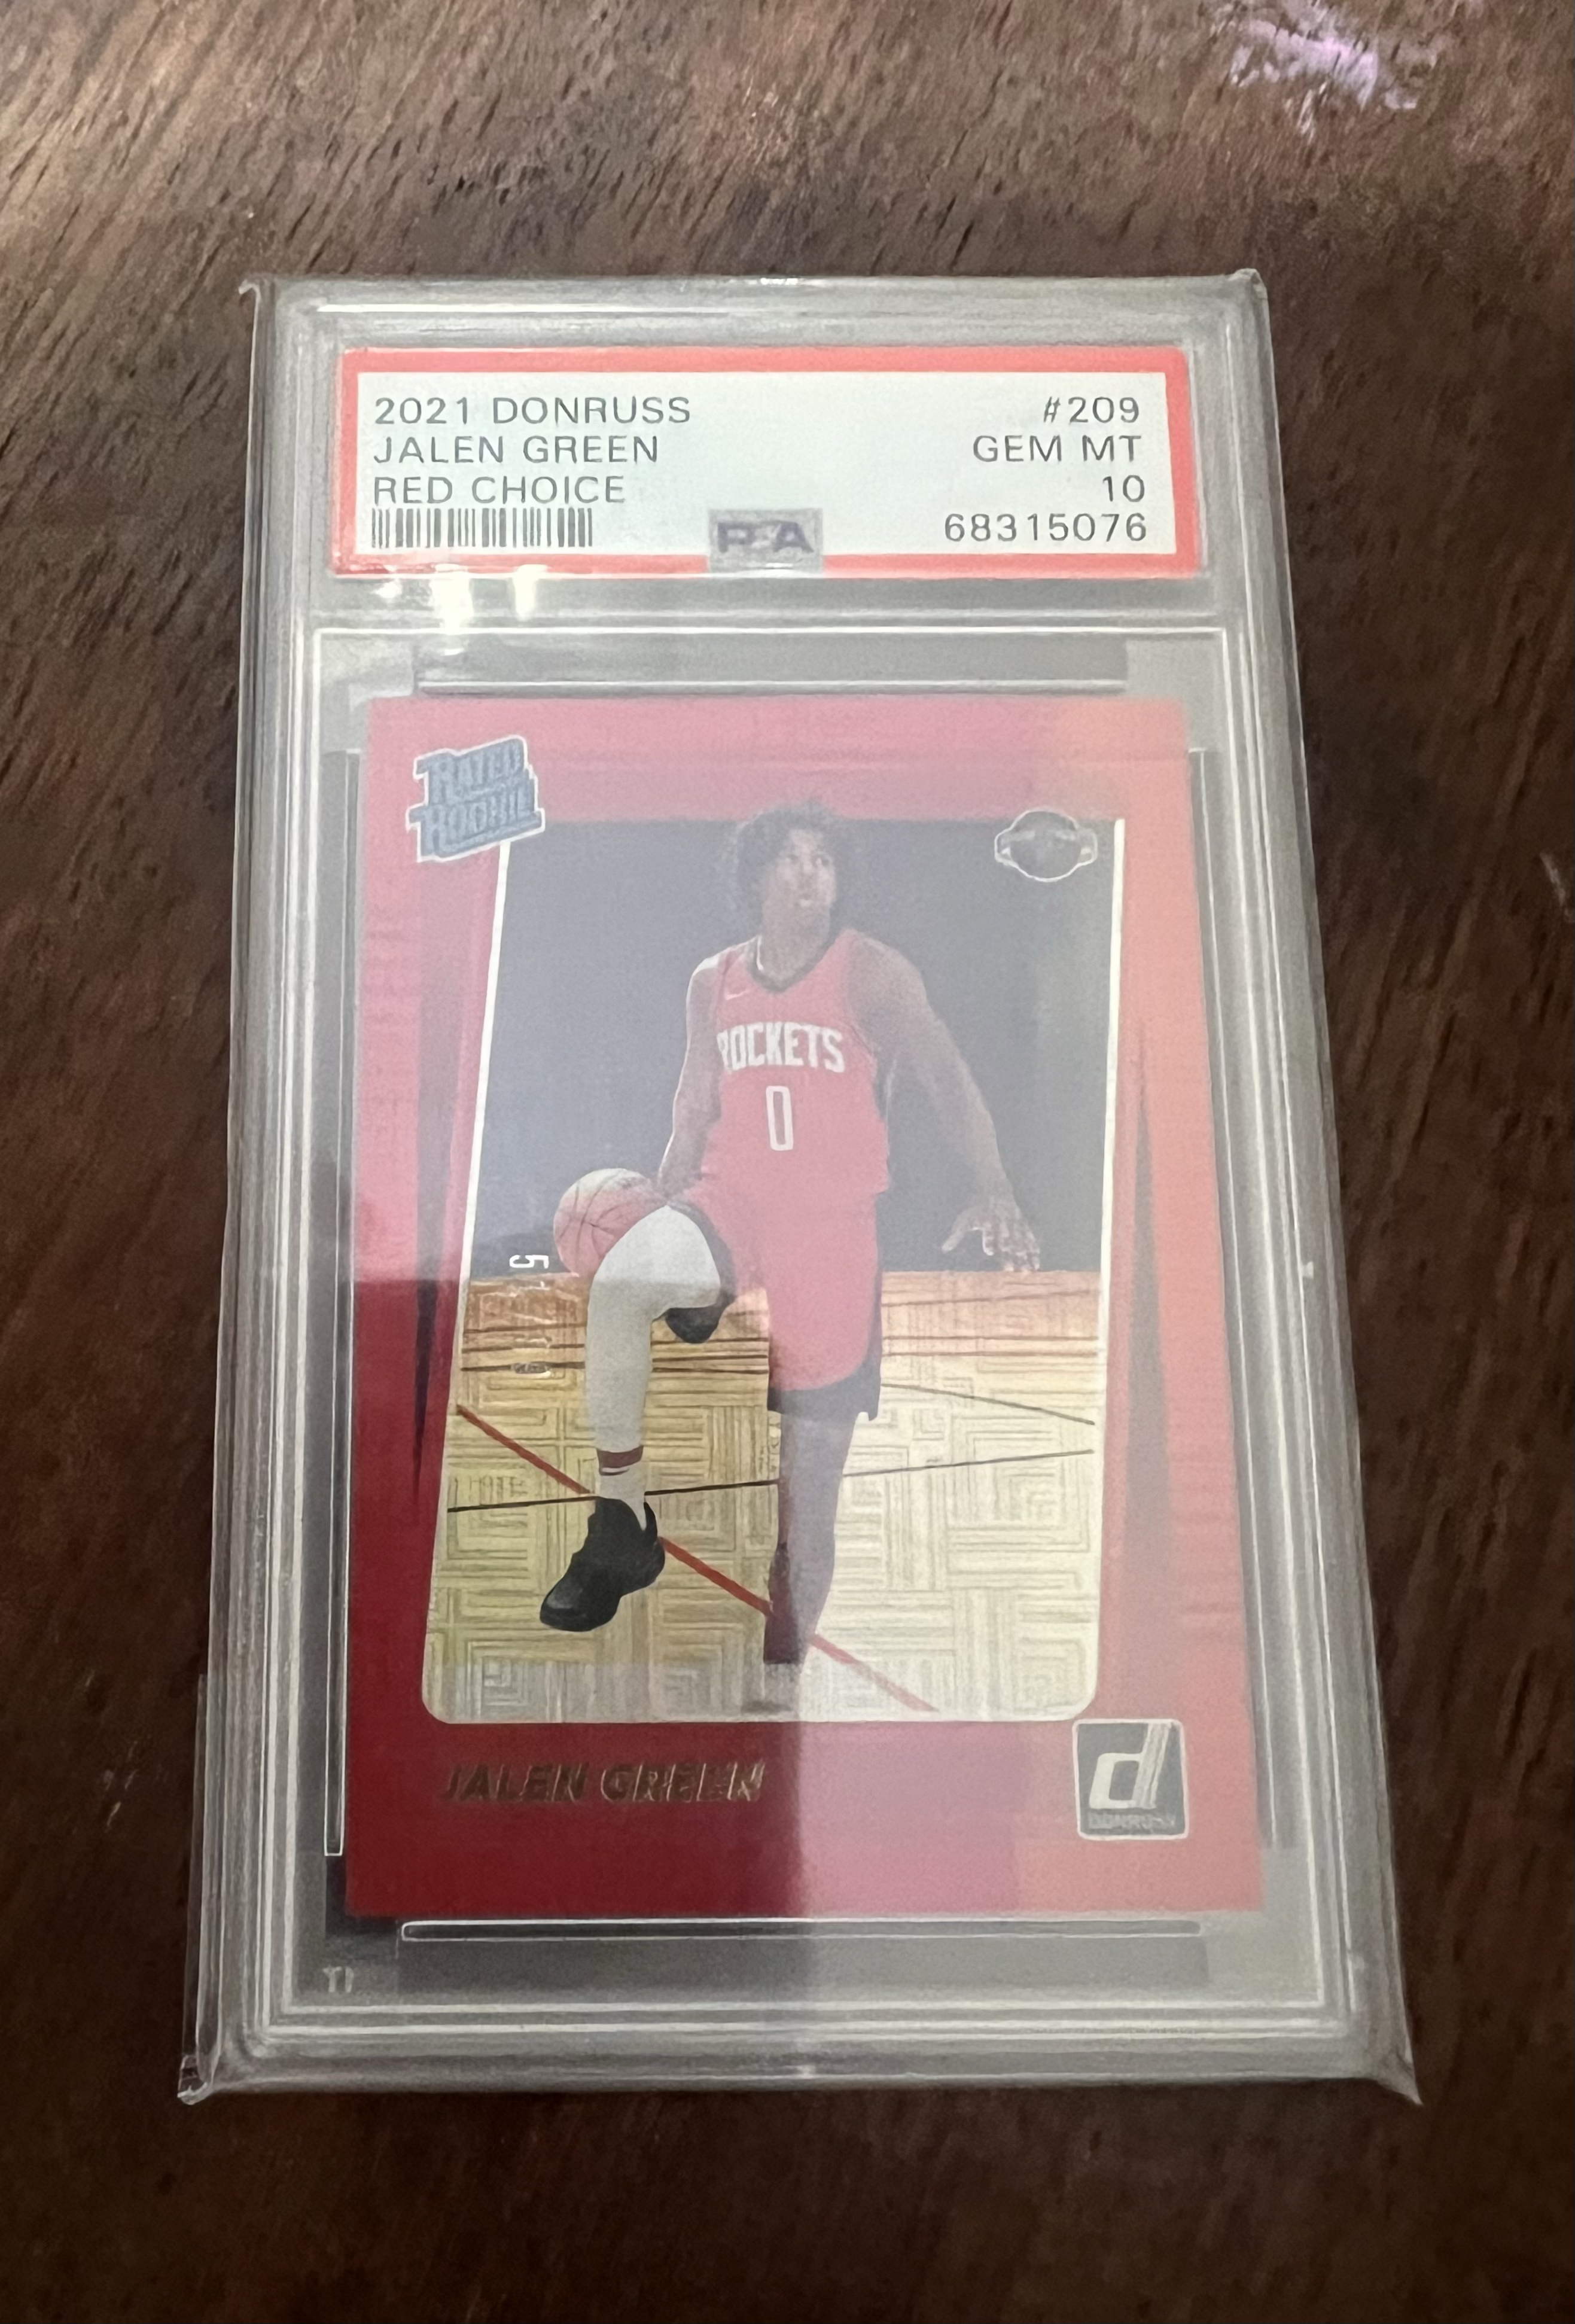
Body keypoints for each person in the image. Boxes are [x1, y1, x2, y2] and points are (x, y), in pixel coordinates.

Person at [539, 804, 1038, 1659]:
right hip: (730, 1203)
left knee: (806, 1507)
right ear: (758, 874)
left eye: (824, 861)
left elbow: (948, 1077)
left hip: (830, 1234)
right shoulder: (714, 980)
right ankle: (621, 1528)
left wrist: (995, 1188)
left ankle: (782, 1672)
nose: (810, 873)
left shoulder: (875, 974)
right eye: (792, 858)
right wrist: (662, 1194)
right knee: (620, 1285)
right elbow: (694, 1100)